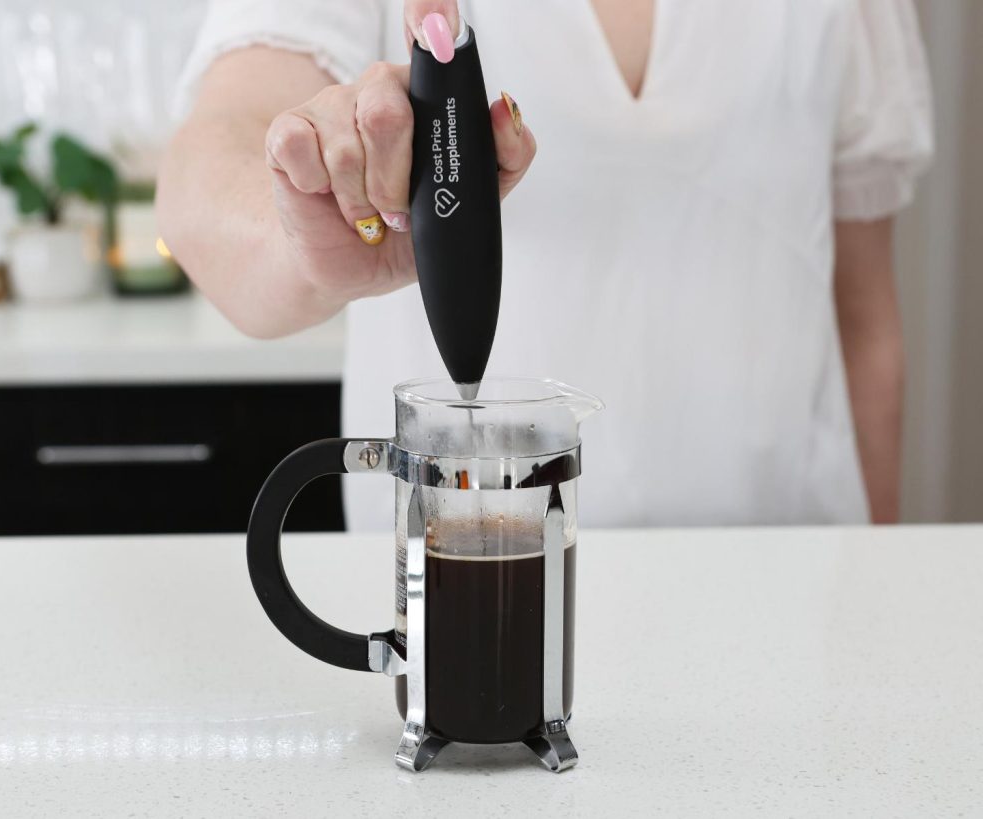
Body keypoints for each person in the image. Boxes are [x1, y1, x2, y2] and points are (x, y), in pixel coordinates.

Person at [158, 0, 933, 530]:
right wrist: (303, 240)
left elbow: (866, 319)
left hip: (788, 583)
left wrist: (868, 604)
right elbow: (205, 177)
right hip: (468, 593)